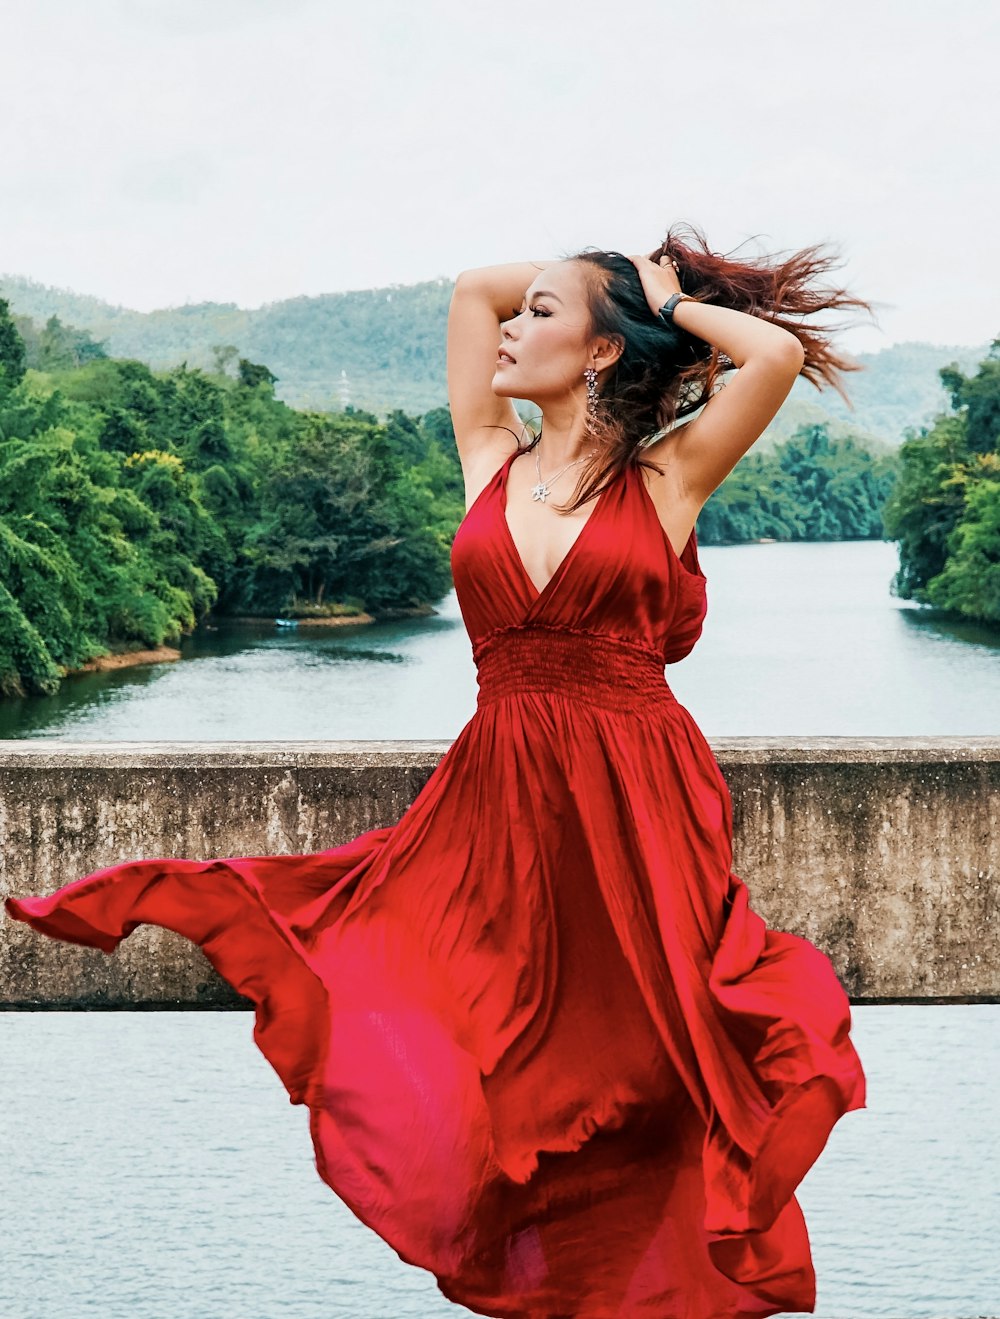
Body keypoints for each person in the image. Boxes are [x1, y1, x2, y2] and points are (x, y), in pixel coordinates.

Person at [6, 222, 870, 1319]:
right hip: (500, 786)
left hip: (638, 789)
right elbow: (470, 290)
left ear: (603, 352)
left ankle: (655, 1278)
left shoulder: (665, 475)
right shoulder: (487, 456)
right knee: (498, 1051)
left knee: (659, 1054)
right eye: (525, 312)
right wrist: (582, 286)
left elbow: (773, 360)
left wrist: (659, 293)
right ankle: (561, 1274)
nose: (512, 325)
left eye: (542, 315)